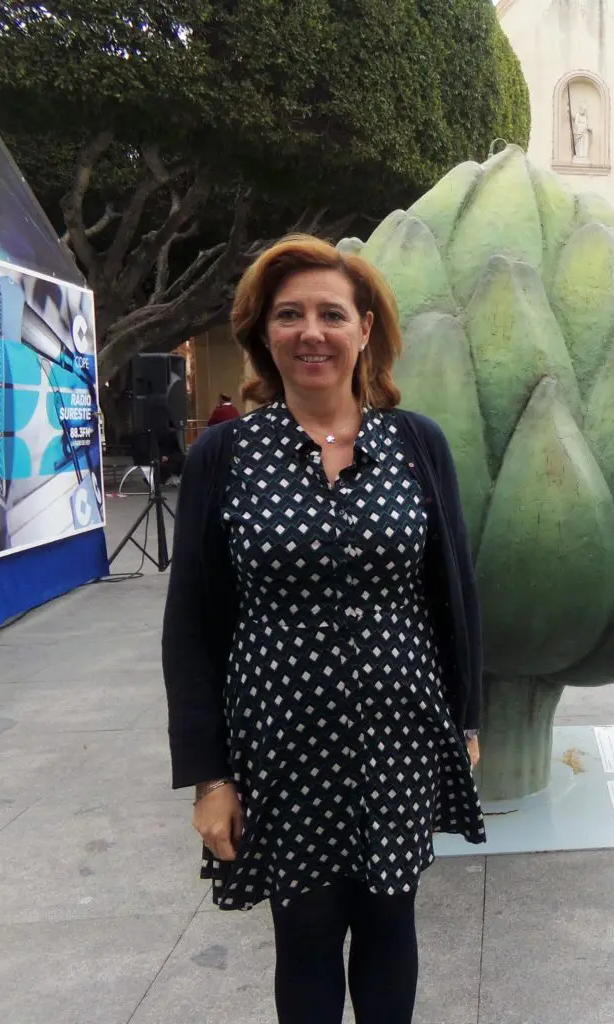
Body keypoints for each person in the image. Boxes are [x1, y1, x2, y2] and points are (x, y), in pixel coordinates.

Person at [161, 235, 486, 1024]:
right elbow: (191, 625)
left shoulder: (415, 444)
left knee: (390, 922)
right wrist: (209, 776)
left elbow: (453, 594)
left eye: (331, 314)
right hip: (281, 737)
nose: (312, 332)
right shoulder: (226, 455)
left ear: (365, 330)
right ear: (263, 333)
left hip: (400, 730)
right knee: (304, 935)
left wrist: (466, 719)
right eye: (289, 315)